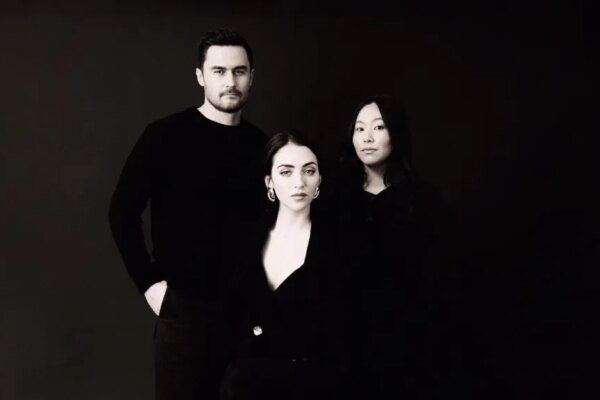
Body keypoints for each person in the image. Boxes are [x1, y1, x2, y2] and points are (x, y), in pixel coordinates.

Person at [108, 29, 268, 400]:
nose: (230, 81)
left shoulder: (261, 146)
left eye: (239, 71)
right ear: (200, 76)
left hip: (244, 313)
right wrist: (150, 285)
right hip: (184, 309)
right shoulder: (164, 136)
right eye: (219, 71)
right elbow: (121, 211)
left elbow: (275, 227)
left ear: (252, 76)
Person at [219, 132, 352, 400]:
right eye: (286, 172)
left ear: (319, 180)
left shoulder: (339, 245)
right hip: (245, 387)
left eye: (309, 171)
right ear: (269, 181)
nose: (299, 182)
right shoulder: (246, 240)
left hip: (313, 387)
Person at [334, 95, 449, 397]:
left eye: (378, 127)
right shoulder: (336, 198)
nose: (367, 138)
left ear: (395, 133)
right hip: (346, 337)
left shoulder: (424, 200)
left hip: (407, 338)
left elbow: (437, 277)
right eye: (360, 129)